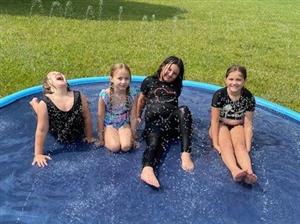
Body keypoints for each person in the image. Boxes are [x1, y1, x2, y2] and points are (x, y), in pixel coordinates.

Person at [137, 56, 194, 188]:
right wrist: (138, 116)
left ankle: (185, 153)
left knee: (183, 110)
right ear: (162, 66)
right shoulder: (149, 81)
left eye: (175, 73)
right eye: (169, 70)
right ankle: (147, 169)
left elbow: (172, 104)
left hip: (171, 125)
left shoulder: (177, 85)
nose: (170, 74)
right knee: (154, 140)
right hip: (154, 124)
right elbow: (141, 100)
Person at [30, 71, 94, 168]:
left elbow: (87, 117)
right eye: (53, 74)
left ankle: (36, 105)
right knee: (41, 113)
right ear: (48, 85)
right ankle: (34, 104)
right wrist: (38, 154)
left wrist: (89, 136)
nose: (57, 73)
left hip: (78, 133)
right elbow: (42, 130)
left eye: (60, 73)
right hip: (55, 129)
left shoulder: (79, 96)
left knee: (42, 111)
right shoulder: (45, 102)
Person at [209, 65, 257, 184]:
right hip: (220, 124)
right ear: (226, 80)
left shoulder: (248, 97)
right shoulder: (219, 95)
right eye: (231, 79)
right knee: (225, 145)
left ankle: (249, 171)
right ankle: (235, 170)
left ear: (244, 81)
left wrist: (248, 146)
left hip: (237, 125)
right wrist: (215, 144)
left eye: (238, 80)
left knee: (240, 146)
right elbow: (214, 121)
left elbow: (248, 124)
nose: (234, 83)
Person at [97, 63, 138, 152]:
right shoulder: (105, 95)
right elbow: (100, 117)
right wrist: (101, 137)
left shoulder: (132, 94)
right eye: (120, 78)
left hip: (124, 123)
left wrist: (134, 137)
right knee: (115, 147)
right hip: (109, 124)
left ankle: (122, 135)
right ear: (111, 79)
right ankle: (108, 134)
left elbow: (133, 117)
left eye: (126, 78)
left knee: (126, 146)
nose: (123, 82)